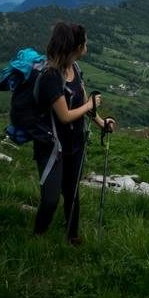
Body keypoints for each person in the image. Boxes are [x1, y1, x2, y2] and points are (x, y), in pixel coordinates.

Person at [33, 21, 115, 245]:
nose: (87, 45)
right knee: (50, 199)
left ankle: (72, 235)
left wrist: (101, 122)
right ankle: (37, 236)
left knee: (71, 191)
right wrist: (90, 105)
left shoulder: (75, 69)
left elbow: (83, 103)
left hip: (75, 143)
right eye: (85, 42)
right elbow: (66, 115)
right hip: (52, 146)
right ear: (77, 47)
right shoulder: (51, 76)